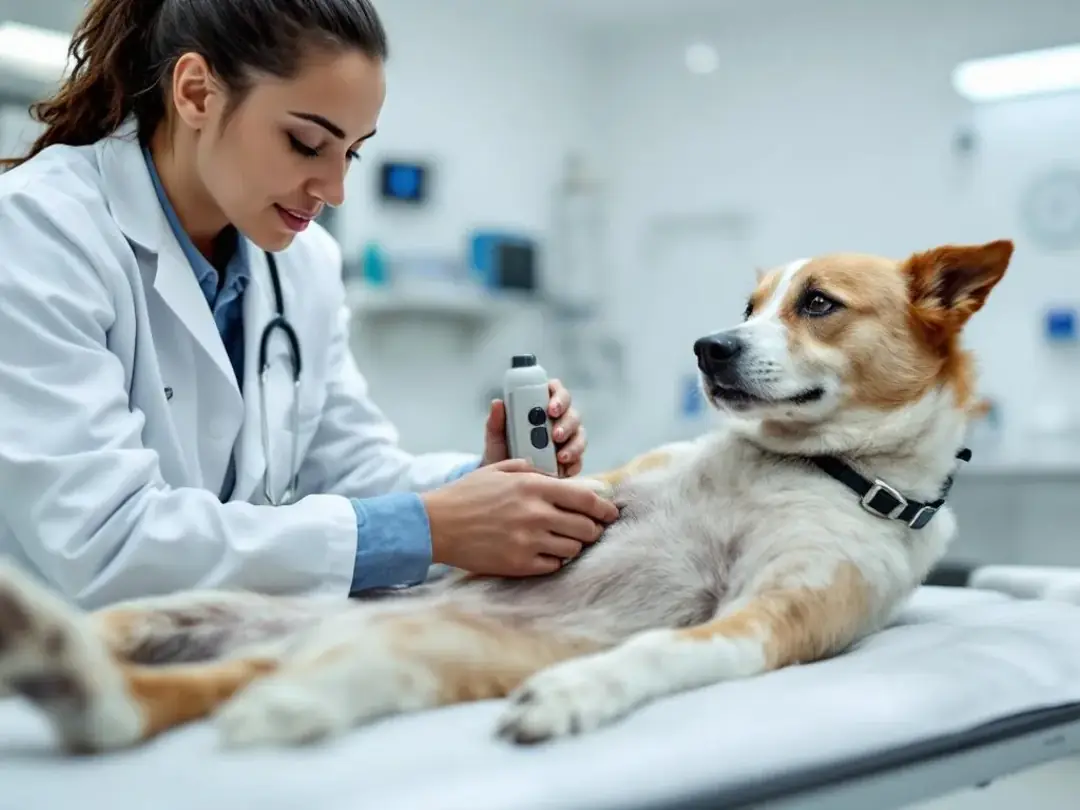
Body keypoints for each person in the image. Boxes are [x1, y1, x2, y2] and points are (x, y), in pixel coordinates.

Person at [0, 0, 618, 610]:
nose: (335, 191)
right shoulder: (38, 229)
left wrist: (487, 487)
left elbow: (348, 469)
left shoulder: (304, 265)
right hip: (46, 677)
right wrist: (434, 528)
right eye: (305, 142)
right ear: (195, 93)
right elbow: (106, 540)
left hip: (207, 655)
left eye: (350, 152)